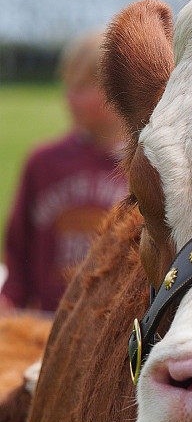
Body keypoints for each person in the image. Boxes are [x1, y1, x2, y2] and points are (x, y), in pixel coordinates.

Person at [1, 29, 128, 313]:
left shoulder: (144, 166)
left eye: (83, 86)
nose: (69, 96)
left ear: (118, 91)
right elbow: (18, 248)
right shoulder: (44, 162)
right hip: (48, 320)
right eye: (68, 84)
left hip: (115, 327)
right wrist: (10, 302)